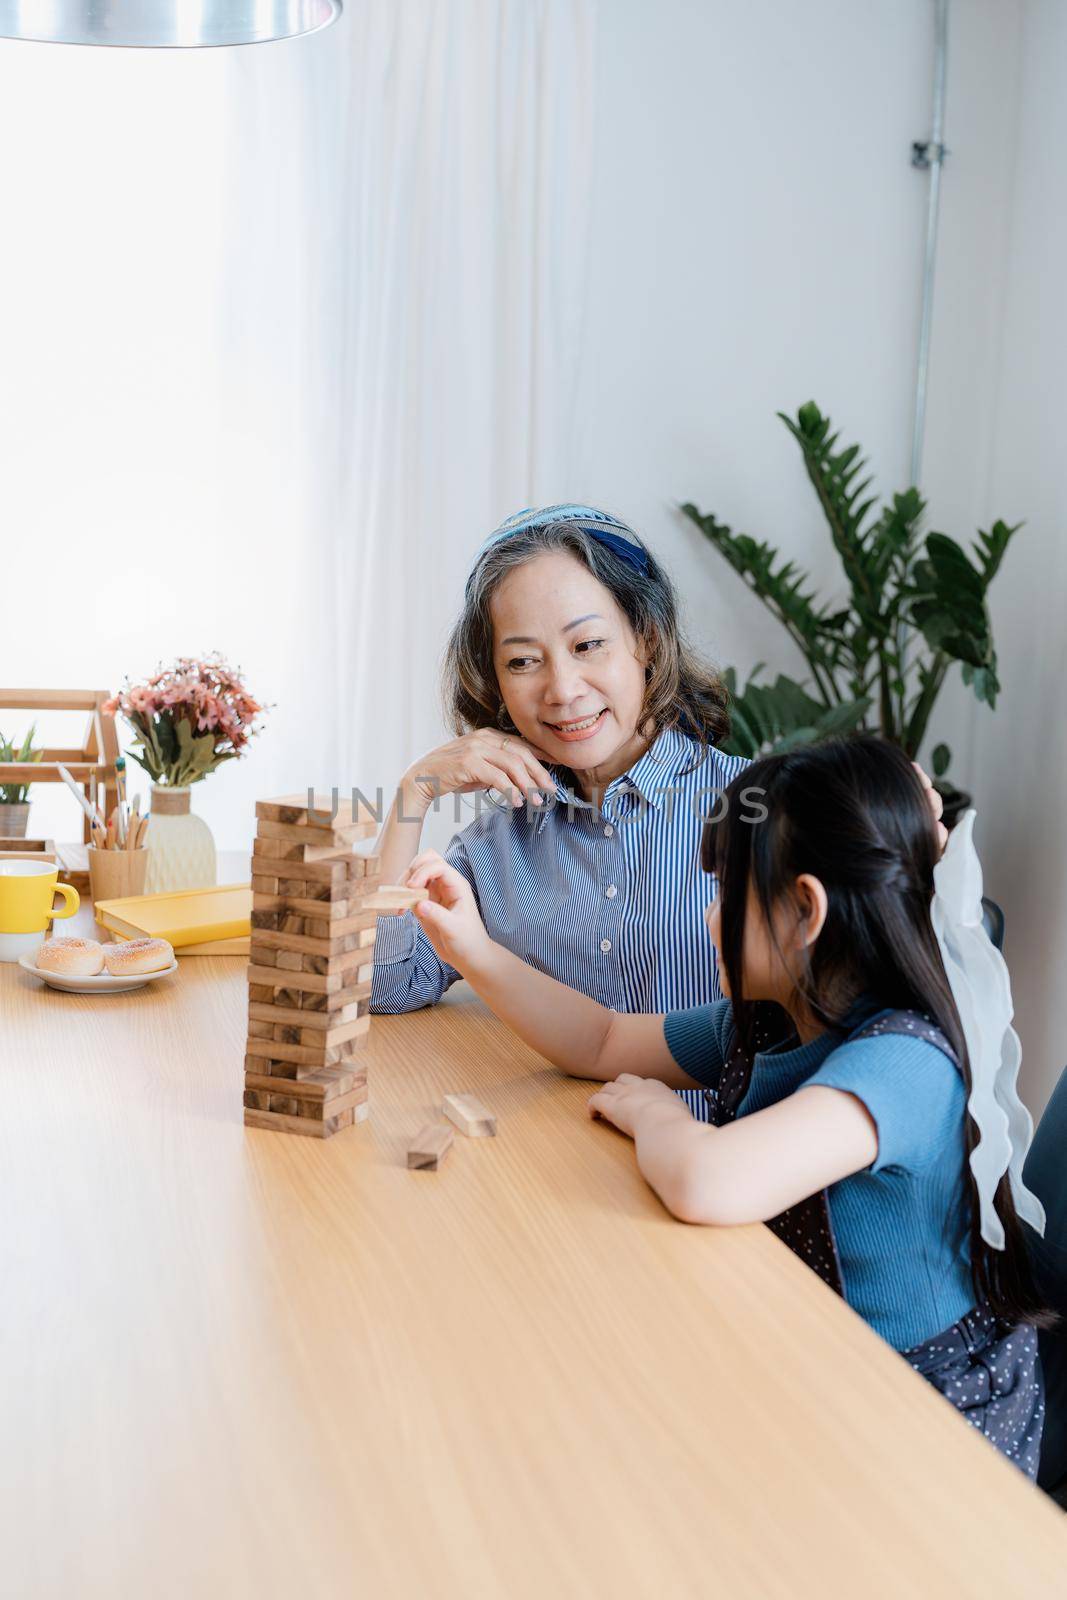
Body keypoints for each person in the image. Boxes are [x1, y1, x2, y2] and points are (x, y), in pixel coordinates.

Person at [398, 735, 1050, 1476]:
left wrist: (657, 1115)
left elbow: (712, 1181)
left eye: (726, 892)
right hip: (800, 1350)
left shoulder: (904, 1063)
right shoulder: (774, 1016)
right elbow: (602, 1039)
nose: (708, 917)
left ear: (805, 910)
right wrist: (471, 950)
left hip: (920, 1413)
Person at [371, 503, 749, 1121]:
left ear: (645, 639)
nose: (562, 689)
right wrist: (414, 794)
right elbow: (386, 986)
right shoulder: (496, 846)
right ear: (493, 679)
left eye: (588, 644)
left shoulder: (761, 813)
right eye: (523, 661)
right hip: (554, 1169)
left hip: (710, 1179)